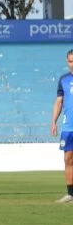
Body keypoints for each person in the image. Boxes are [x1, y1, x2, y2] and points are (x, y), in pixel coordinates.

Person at [50, 48, 73, 203]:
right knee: (68, 159)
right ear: (67, 61)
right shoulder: (63, 79)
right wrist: (53, 121)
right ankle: (71, 194)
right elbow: (59, 101)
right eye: (70, 61)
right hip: (68, 127)